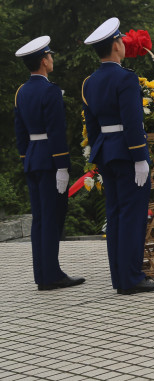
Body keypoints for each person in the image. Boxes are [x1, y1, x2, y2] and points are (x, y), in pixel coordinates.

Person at [82, 18, 154, 294]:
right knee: (132, 215)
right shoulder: (125, 77)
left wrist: (98, 155)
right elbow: (132, 120)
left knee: (115, 215)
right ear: (117, 45)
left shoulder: (90, 82)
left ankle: (119, 277)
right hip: (127, 153)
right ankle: (131, 278)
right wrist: (140, 157)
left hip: (106, 152)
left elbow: (92, 126)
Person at [14, 36, 84, 291]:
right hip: (50, 161)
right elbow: (56, 132)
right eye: (50, 56)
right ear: (44, 61)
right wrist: (63, 166)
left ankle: (43, 274)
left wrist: (26, 159)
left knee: (40, 219)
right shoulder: (50, 90)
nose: (52, 59)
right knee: (52, 218)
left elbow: (20, 132)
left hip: (33, 158)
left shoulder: (22, 91)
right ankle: (52, 275)